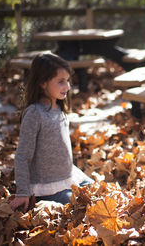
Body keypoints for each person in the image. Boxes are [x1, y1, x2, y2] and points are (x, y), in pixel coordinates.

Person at [10, 53, 93, 211]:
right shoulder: (35, 113)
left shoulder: (59, 107)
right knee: (79, 209)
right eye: (60, 81)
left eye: (67, 81)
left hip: (69, 176)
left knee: (99, 194)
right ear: (42, 83)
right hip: (47, 186)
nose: (67, 86)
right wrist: (22, 193)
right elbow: (22, 156)